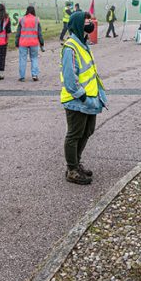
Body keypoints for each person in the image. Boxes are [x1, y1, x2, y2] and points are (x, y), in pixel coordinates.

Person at [60, 11, 107, 185]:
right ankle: (72, 169)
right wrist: (83, 97)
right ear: (78, 24)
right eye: (86, 20)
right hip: (77, 100)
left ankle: (76, 163)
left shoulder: (83, 44)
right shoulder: (71, 47)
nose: (90, 22)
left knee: (87, 131)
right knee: (74, 134)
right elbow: (70, 79)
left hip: (89, 99)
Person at [16, 5, 45, 81]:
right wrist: (41, 43)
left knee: (22, 59)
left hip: (23, 42)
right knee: (34, 58)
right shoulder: (36, 20)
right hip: (34, 42)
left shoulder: (22, 20)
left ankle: (22, 77)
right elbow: (39, 33)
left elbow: (18, 33)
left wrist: (16, 42)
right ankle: (34, 75)